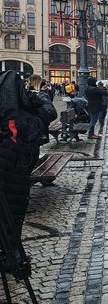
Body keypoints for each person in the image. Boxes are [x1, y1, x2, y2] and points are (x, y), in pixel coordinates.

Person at [0, 71, 57, 243]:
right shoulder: (25, 116)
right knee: (13, 213)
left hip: (14, 167)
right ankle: (11, 254)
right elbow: (49, 113)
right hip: (16, 171)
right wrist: (37, 96)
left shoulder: (11, 115)